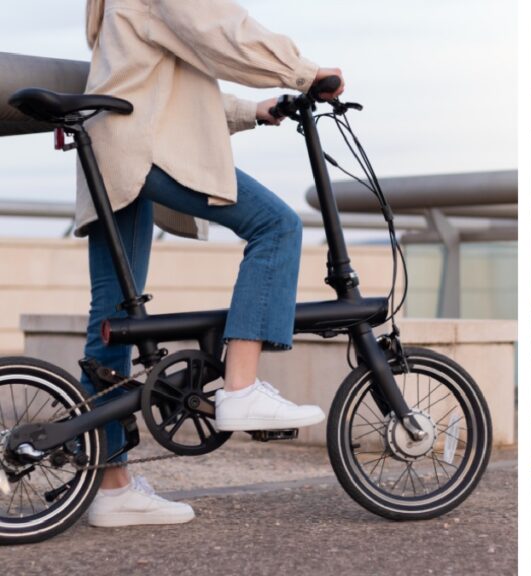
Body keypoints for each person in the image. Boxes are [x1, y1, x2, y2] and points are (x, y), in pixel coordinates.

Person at [80, 0, 345, 528]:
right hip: (145, 151)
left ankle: (112, 489)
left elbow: (170, 86)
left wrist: (252, 110)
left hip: (116, 152)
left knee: (112, 320)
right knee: (277, 226)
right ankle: (241, 387)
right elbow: (219, 28)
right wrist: (306, 71)